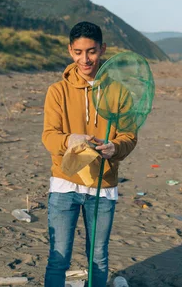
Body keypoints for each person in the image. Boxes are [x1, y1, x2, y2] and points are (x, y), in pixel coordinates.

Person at [42, 21, 137, 286]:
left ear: (102, 49)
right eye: (79, 52)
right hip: (64, 183)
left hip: (102, 186)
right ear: (70, 51)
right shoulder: (57, 91)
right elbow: (49, 137)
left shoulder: (119, 92)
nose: (85, 59)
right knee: (58, 258)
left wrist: (115, 148)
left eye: (92, 51)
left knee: (98, 257)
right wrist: (71, 139)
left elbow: (129, 137)